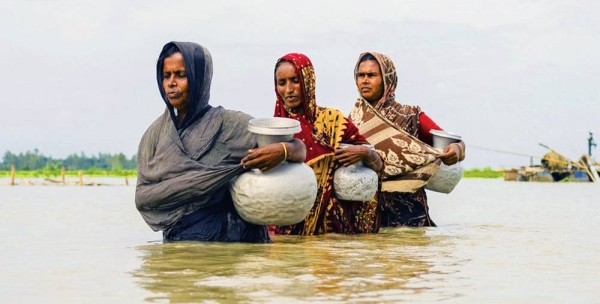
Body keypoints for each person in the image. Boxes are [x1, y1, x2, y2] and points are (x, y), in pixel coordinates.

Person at [135, 42, 306, 242]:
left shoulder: (228, 125)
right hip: (179, 245)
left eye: (181, 75)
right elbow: (143, 197)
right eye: (167, 75)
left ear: (199, 78)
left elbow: (298, 148)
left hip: (231, 246)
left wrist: (284, 150)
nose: (171, 83)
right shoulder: (154, 136)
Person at [348, 52, 466, 227]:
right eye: (361, 75)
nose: (365, 80)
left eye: (372, 75)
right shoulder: (351, 121)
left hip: (409, 211)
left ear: (388, 79)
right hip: (367, 212)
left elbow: (453, 143)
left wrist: (456, 150)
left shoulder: (410, 115)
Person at [272, 53, 383, 236]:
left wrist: (365, 152)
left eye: (295, 80)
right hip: (287, 232)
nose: (289, 89)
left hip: (334, 233)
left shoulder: (335, 121)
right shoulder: (276, 130)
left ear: (308, 81)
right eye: (282, 83)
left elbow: (378, 165)